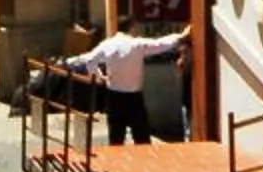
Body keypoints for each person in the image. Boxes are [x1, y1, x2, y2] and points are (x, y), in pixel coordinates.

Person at [22, 22, 184, 143]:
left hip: (114, 95)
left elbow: (90, 61)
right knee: (141, 134)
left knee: (116, 135)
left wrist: (99, 77)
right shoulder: (137, 44)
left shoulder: (108, 44)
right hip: (134, 96)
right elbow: (160, 44)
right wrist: (180, 37)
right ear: (132, 28)